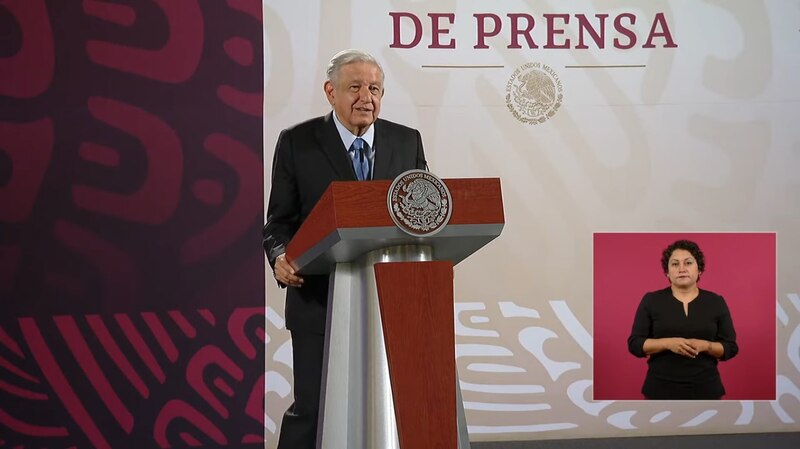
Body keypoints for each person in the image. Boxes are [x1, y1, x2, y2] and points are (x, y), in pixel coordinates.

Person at [263, 49, 427, 449]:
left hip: (390, 301)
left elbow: (425, 213)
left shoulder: (407, 142)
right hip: (320, 301)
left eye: (374, 88)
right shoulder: (297, 143)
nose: (365, 98)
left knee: (390, 408)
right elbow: (277, 224)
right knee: (314, 409)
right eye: (354, 87)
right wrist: (279, 257)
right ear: (330, 91)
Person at [627, 239, 738, 400]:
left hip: (707, 388)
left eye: (688, 263)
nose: (682, 269)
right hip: (660, 389)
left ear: (699, 269)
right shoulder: (651, 300)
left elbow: (731, 347)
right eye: (674, 264)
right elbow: (635, 344)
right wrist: (667, 343)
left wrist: (706, 346)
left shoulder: (716, 301)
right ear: (667, 272)